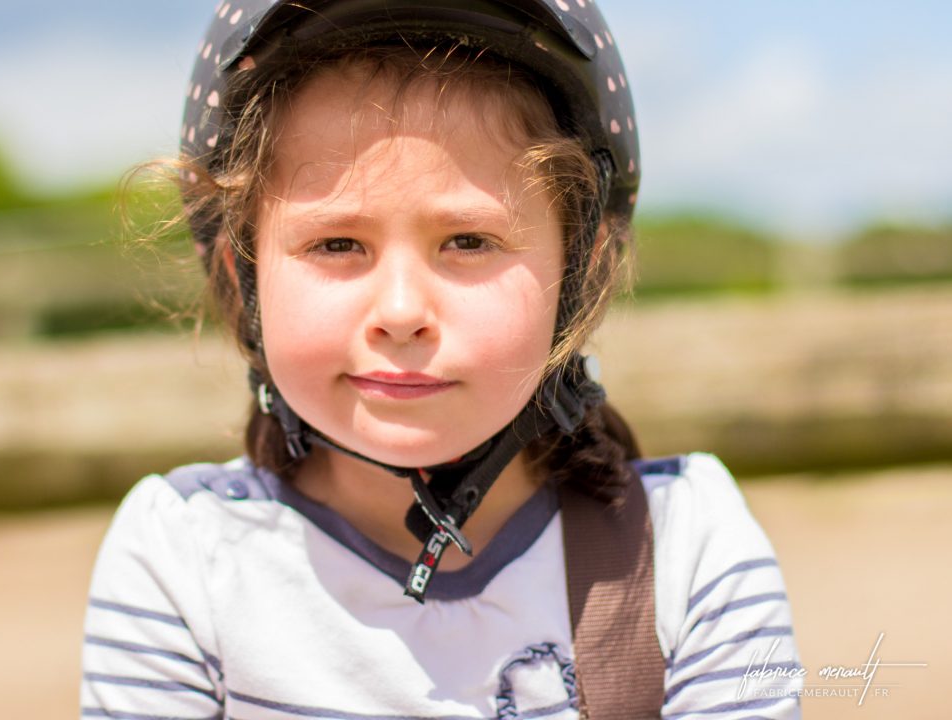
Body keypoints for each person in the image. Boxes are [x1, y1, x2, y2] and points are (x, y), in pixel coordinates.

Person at [80, 1, 803, 718]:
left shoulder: (683, 552)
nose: (400, 312)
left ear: (578, 275)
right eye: (337, 244)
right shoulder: (182, 561)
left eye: (468, 241)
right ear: (244, 277)